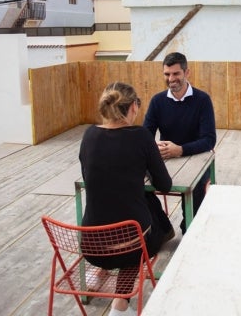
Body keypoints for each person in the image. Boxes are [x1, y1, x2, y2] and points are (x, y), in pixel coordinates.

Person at [79, 81, 174, 316]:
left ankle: (101, 275)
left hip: (90, 245)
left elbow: (93, 178)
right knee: (157, 229)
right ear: (133, 107)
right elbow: (164, 184)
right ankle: (120, 305)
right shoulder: (140, 136)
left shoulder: (89, 135)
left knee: (136, 213)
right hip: (129, 245)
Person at [143, 52, 216, 234]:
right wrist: (154, 149)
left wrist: (181, 150)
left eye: (176, 74)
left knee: (197, 186)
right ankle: (162, 228)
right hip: (165, 158)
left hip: (196, 157)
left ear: (186, 72)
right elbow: (145, 136)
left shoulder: (202, 100)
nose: (171, 79)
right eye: (167, 74)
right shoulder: (157, 101)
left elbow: (209, 139)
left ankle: (190, 230)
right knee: (137, 184)